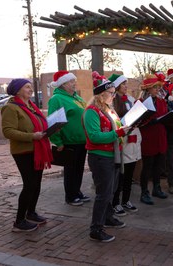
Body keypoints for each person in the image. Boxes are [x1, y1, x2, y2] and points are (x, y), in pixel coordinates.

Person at [1, 79, 52, 232]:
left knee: (36, 183)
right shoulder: (10, 108)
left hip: (38, 149)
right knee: (29, 184)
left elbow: (40, 124)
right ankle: (19, 221)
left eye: (31, 87)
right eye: (27, 87)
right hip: (23, 151)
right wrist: (32, 136)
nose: (31, 90)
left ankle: (31, 212)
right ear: (17, 91)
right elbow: (8, 131)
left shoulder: (31, 106)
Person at [83, 72, 127, 242]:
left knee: (111, 190)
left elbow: (116, 130)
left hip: (112, 155)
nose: (114, 96)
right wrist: (120, 132)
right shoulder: (91, 111)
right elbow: (94, 136)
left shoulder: (109, 109)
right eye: (111, 93)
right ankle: (96, 228)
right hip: (100, 157)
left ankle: (107, 218)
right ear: (101, 94)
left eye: (114, 93)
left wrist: (124, 130)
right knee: (103, 193)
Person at [48, 70, 90, 206]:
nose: (74, 83)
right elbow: (53, 122)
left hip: (82, 140)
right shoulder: (57, 99)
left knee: (79, 169)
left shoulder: (76, 98)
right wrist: (58, 141)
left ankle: (77, 192)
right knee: (70, 170)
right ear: (63, 84)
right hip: (69, 141)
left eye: (74, 81)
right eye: (71, 81)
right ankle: (70, 196)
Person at [108, 73, 141, 216]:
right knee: (120, 174)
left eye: (126, 83)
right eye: (123, 84)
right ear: (116, 87)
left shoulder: (131, 99)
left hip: (132, 138)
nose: (126, 86)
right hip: (122, 139)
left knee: (129, 173)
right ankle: (115, 202)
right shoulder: (113, 101)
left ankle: (126, 200)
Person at [139, 73, 169, 205]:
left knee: (159, 165)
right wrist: (150, 121)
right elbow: (138, 121)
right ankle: (144, 192)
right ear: (148, 89)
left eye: (158, 87)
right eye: (155, 87)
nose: (158, 89)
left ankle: (157, 188)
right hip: (148, 137)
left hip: (160, 136)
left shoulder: (162, 101)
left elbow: (165, 115)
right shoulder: (140, 102)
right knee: (147, 166)